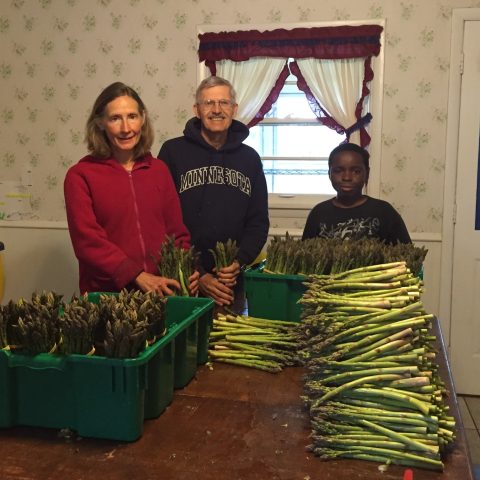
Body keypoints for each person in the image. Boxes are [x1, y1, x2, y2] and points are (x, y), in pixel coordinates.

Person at [64, 81, 199, 295]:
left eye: (132, 117)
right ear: (100, 123)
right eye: (115, 118)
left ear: (142, 119)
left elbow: (176, 232)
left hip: (161, 289)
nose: (126, 128)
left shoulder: (158, 170)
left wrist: (185, 266)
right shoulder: (80, 175)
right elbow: (87, 242)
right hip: (108, 295)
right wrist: (137, 276)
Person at [158, 76, 269, 306]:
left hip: (230, 283)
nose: (216, 110)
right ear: (197, 110)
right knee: (186, 342)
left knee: (228, 341)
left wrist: (238, 262)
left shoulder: (250, 159)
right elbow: (162, 219)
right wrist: (199, 272)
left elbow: (258, 222)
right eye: (208, 103)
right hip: (183, 279)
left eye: (224, 103)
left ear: (234, 109)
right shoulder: (172, 152)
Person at [302, 143, 411, 244]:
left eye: (356, 171)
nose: (347, 177)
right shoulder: (318, 213)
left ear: (367, 173)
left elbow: (405, 255)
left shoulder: (384, 211)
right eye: (338, 171)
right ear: (329, 173)